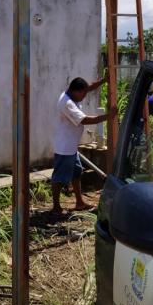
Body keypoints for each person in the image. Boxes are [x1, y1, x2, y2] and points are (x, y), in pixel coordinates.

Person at [51, 76, 116, 215]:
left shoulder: (72, 94)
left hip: (71, 146)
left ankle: (79, 202)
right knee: (59, 178)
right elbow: (84, 120)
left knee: (76, 172)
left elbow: (88, 87)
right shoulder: (67, 103)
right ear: (76, 91)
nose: (85, 96)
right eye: (83, 93)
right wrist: (108, 116)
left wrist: (104, 80)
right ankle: (56, 207)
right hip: (64, 148)